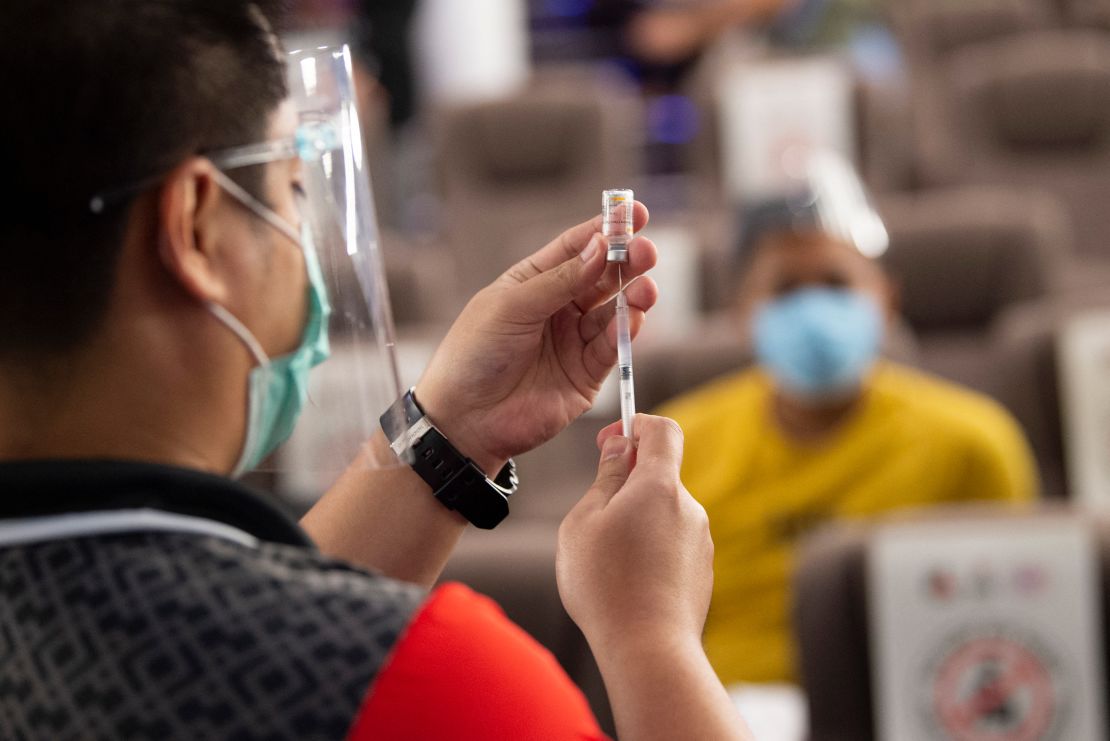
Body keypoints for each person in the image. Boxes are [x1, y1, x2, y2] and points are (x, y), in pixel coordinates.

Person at [0, 2, 751, 739]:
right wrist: (651, 634)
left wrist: (450, 431)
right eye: (293, 192)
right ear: (197, 224)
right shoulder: (438, 683)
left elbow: (233, 647)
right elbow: (291, 657)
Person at [656, 206, 1039, 689]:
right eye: (785, 290)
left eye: (837, 285)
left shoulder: (975, 441)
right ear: (742, 314)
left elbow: (1013, 622)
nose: (813, 310)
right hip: (731, 707)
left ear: (886, 301)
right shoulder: (678, 447)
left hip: (908, 699)